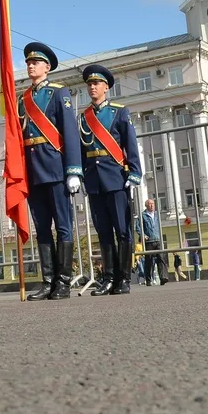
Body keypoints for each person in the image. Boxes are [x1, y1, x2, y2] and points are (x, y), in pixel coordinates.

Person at [19, 42, 82, 301]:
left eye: (36, 62)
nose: (31, 65)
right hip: (33, 170)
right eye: (28, 62)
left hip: (55, 167)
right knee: (42, 227)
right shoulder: (23, 98)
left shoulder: (59, 93)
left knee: (63, 226)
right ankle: (47, 281)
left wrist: (73, 170)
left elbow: (69, 131)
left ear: (47, 67)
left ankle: (63, 282)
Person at [77, 64, 139, 296]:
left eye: (96, 83)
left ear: (106, 87)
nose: (92, 87)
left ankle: (123, 278)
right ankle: (108, 278)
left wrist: (134, 172)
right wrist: (80, 173)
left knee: (122, 230)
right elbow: (83, 151)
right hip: (94, 180)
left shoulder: (119, 111)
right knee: (103, 231)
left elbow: (130, 144)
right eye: (89, 84)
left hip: (115, 177)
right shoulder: (83, 117)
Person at [139, 199, 169, 285]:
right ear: (146, 206)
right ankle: (148, 279)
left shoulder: (157, 215)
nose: (152, 205)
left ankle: (163, 278)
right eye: (150, 204)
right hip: (149, 241)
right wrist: (143, 235)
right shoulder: (143, 216)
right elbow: (138, 227)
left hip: (158, 240)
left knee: (161, 258)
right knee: (148, 261)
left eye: (153, 204)